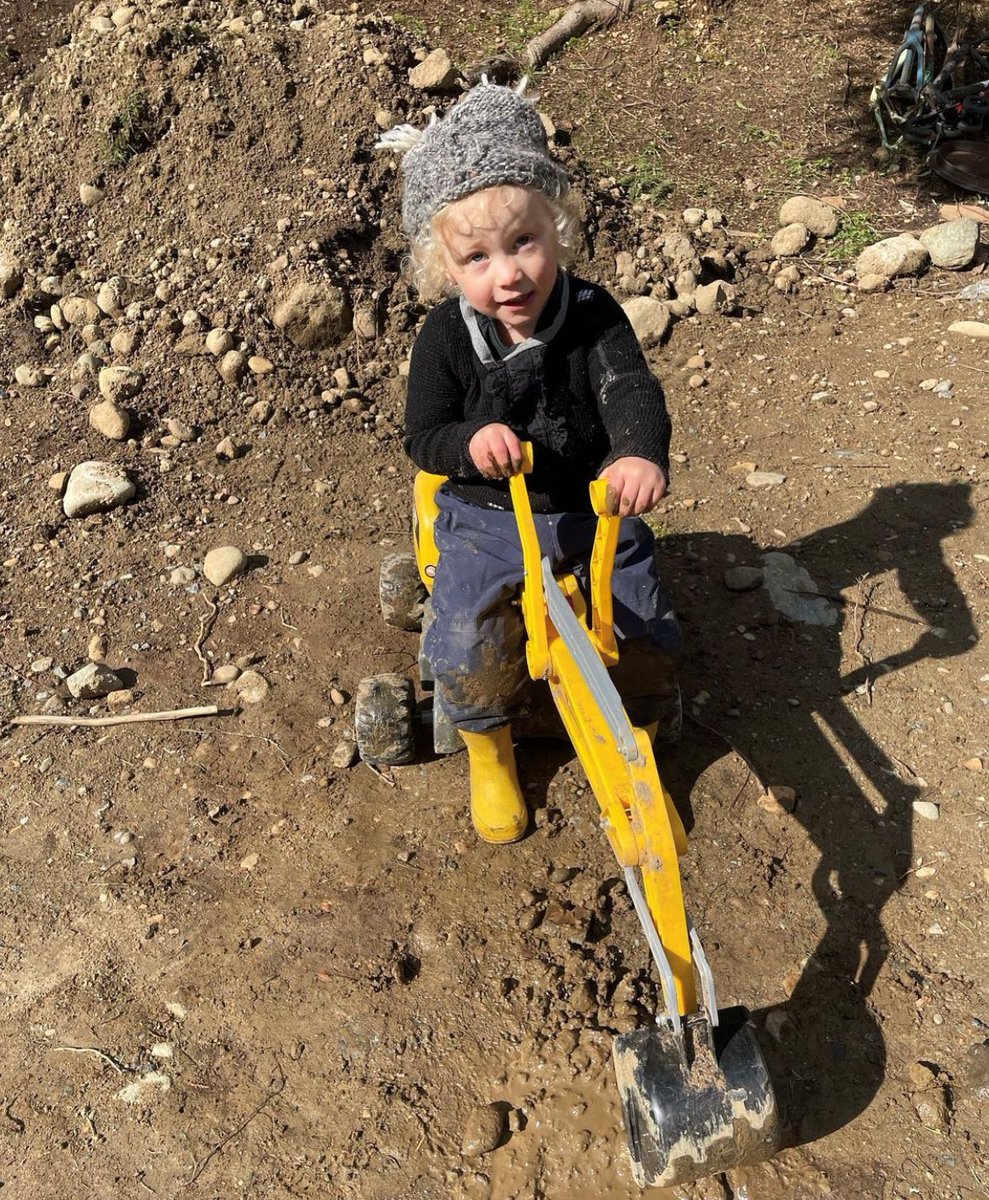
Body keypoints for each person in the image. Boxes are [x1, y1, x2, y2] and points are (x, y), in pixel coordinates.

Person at [377, 80, 681, 845]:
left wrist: (637, 452)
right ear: (443, 266)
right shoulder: (447, 337)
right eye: (475, 257)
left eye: (522, 243)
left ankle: (636, 731)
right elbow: (424, 437)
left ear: (557, 225)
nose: (506, 274)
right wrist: (469, 444)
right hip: (487, 517)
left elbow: (629, 389)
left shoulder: (592, 315)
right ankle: (488, 747)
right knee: (466, 639)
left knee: (641, 628)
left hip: (587, 509)